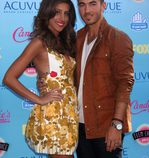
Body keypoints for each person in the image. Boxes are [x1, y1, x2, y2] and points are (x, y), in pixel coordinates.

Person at [3, 0, 78, 158]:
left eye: (66, 13)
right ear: (47, 13)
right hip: (53, 116)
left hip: (69, 114)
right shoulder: (39, 43)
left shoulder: (66, 42)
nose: (62, 18)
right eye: (57, 12)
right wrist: (39, 99)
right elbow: (9, 78)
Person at [75, 0, 134, 158]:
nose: (86, 10)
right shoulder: (77, 38)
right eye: (82, 4)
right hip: (80, 126)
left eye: (92, 3)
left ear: (103, 5)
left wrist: (116, 124)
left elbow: (125, 83)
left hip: (106, 126)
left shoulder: (118, 38)